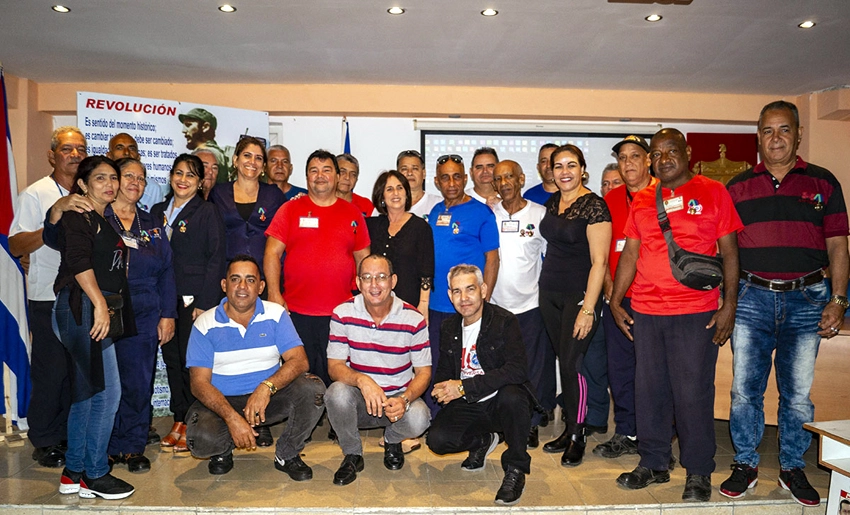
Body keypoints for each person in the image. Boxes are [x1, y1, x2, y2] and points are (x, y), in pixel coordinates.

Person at [721, 101, 849, 507]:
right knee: (744, 391)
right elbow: (725, 252)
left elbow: (838, 246)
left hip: (807, 301)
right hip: (750, 299)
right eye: (767, 131)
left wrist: (839, 299)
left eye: (783, 130)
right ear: (757, 137)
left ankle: (792, 468)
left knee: (797, 395)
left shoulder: (824, 182)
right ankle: (745, 464)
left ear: (798, 134)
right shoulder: (737, 187)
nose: (775, 139)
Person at [609, 128, 742, 502]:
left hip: (695, 313)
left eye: (671, 151)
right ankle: (653, 462)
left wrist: (729, 305)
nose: (663, 158)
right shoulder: (644, 199)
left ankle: (698, 471)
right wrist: (617, 301)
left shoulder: (713, 191)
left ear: (687, 151)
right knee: (648, 390)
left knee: (692, 392)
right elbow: (631, 254)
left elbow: (730, 252)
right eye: (657, 153)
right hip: (647, 312)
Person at [43, 158, 177, 472]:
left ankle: (129, 447)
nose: (134, 182)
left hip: (142, 309)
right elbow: (57, 241)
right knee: (99, 388)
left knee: (136, 382)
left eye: (141, 178)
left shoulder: (152, 222)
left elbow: (168, 269)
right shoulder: (91, 213)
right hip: (97, 305)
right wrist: (58, 208)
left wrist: (167, 313)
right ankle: (98, 455)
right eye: (126, 175)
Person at [185, 255, 326, 478]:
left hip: (267, 398)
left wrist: (266, 387)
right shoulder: (205, 324)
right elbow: (198, 384)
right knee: (201, 441)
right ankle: (222, 450)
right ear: (224, 285)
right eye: (235, 279)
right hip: (223, 401)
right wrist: (232, 418)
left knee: (313, 390)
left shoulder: (275, 314)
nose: (242, 287)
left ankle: (287, 454)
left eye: (250, 280)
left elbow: (299, 360)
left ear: (261, 287)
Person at [52, 156, 136, 499]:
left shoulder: (102, 218)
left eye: (113, 178)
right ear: (83, 185)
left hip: (94, 307)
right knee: (106, 393)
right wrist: (99, 305)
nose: (110, 184)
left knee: (88, 394)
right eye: (100, 178)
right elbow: (77, 261)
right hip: (83, 306)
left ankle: (74, 471)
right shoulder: (78, 214)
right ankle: (95, 474)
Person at [9, 126, 89, 469]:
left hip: (83, 295)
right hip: (46, 297)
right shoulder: (36, 194)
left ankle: (68, 435)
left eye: (80, 150)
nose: (74, 155)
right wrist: (54, 221)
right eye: (68, 149)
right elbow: (16, 245)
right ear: (52, 155)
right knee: (50, 371)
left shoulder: (92, 192)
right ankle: (43, 439)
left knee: (77, 373)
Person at [426, 264, 532, 506]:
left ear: (483, 290)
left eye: (470, 289)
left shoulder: (505, 321)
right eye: (456, 291)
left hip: (499, 401)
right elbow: (444, 369)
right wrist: (441, 388)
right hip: (469, 402)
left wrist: (463, 387)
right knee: (437, 441)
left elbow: (517, 369)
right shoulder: (449, 327)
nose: (464, 298)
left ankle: (515, 469)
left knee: (514, 397)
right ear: (450, 296)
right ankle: (483, 441)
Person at [264, 150, 371, 385]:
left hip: (340, 312)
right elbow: (272, 252)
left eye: (326, 170)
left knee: (337, 377)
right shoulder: (290, 210)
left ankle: (335, 421)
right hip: (296, 312)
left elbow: (364, 260)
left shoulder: (353, 213)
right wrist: (273, 292)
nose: (320, 175)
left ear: (336, 175)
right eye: (314, 170)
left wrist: (366, 300)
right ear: (306, 177)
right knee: (300, 378)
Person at [325, 255, 431, 485]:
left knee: (420, 417)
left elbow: (423, 372)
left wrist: (404, 399)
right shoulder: (342, 313)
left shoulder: (413, 318)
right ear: (358, 282)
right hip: (360, 399)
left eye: (381, 277)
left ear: (393, 281)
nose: (374, 285)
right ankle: (353, 453)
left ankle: (392, 439)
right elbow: (334, 367)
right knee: (336, 392)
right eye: (367, 278)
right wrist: (362, 380)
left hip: (397, 401)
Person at [537, 145, 611, 468]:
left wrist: (588, 308)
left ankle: (578, 434)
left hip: (579, 298)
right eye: (558, 166)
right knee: (563, 364)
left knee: (572, 364)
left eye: (571, 165)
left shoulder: (595, 206)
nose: (564, 171)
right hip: (549, 294)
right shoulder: (554, 202)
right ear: (551, 171)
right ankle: (569, 429)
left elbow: (600, 262)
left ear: (583, 168)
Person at [151, 154, 226, 453]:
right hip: (162, 299)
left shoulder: (207, 212)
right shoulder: (156, 212)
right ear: (171, 177)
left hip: (193, 301)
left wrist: (205, 303)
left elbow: (216, 259)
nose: (183, 180)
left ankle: (194, 422)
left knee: (189, 364)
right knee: (171, 362)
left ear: (200, 182)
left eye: (191, 175)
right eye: (178, 173)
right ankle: (179, 418)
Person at [596, 135, 657, 461]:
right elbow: (602, 253)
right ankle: (626, 431)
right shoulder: (611, 199)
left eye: (636, 156)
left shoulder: (665, 193)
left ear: (648, 160)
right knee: (620, 371)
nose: (629, 162)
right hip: (618, 301)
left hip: (656, 301)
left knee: (654, 373)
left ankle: (656, 437)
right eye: (623, 157)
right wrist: (609, 290)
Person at [427, 154, 499, 415]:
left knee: (469, 364)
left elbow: (492, 258)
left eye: (457, 176)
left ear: (465, 178)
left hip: (469, 305)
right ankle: (437, 416)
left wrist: (484, 298)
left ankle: (471, 416)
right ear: (437, 181)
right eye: (445, 177)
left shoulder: (481, 212)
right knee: (439, 362)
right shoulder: (435, 212)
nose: (452, 182)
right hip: (438, 304)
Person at [488, 160, 552, 448]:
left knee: (534, 368)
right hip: (497, 307)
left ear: (522, 179)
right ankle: (506, 420)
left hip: (531, 306)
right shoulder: (490, 213)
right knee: (502, 369)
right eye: (499, 179)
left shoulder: (539, 214)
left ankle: (531, 424)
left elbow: (550, 259)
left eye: (509, 177)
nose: (504, 183)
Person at [209, 136, 285, 283]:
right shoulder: (219, 193)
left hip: (265, 278)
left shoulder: (274, 195)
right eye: (247, 155)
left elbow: (285, 235)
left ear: (263, 166)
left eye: (258, 158)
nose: (252, 162)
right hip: (228, 278)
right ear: (235, 160)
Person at [365, 170, 434, 316]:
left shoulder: (420, 227)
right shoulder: (372, 226)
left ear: (406, 193)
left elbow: (426, 271)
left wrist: (423, 305)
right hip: (375, 304)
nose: (395, 193)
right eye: (389, 189)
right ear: (381, 196)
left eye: (400, 188)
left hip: (408, 306)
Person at [106, 133, 163, 211]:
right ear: (109, 156)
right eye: (119, 148)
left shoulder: (153, 189)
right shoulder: (101, 185)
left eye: (132, 148)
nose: (126, 153)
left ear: (138, 157)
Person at [178, 107, 230, 183]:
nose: (183, 131)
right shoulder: (216, 153)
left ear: (205, 127)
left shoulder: (206, 155)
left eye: (188, 125)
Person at [397, 149, 441, 219]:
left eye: (415, 168)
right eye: (404, 169)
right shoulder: (389, 205)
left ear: (424, 173)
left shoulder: (438, 204)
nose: (410, 173)